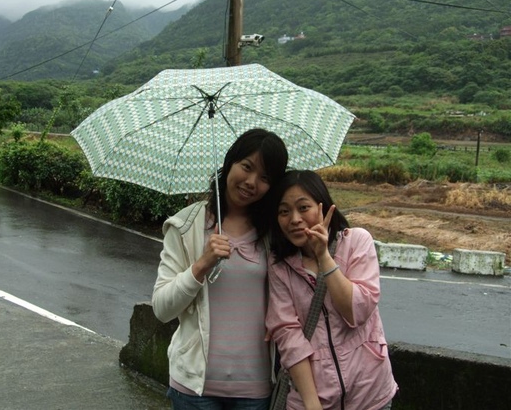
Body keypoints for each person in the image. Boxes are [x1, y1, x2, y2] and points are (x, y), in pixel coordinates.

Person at [152, 128, 289, 410]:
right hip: (194, 389)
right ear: (229, 163)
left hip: (256, 390)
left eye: (265, 178)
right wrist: (202, 264)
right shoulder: (186, 226)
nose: (251, 182)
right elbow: (162, 308)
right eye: (247, 167)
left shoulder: (273, 232)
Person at [266, 170, 398, 410]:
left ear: (324, 207)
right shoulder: (280, 266)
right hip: (314, 400)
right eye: (284, 212)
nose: (294, 219)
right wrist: (311, 403)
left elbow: (356, 311)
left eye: (303, 208)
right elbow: (288, 333)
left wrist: (324, 257)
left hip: (370, 396)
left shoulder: (357, 242)